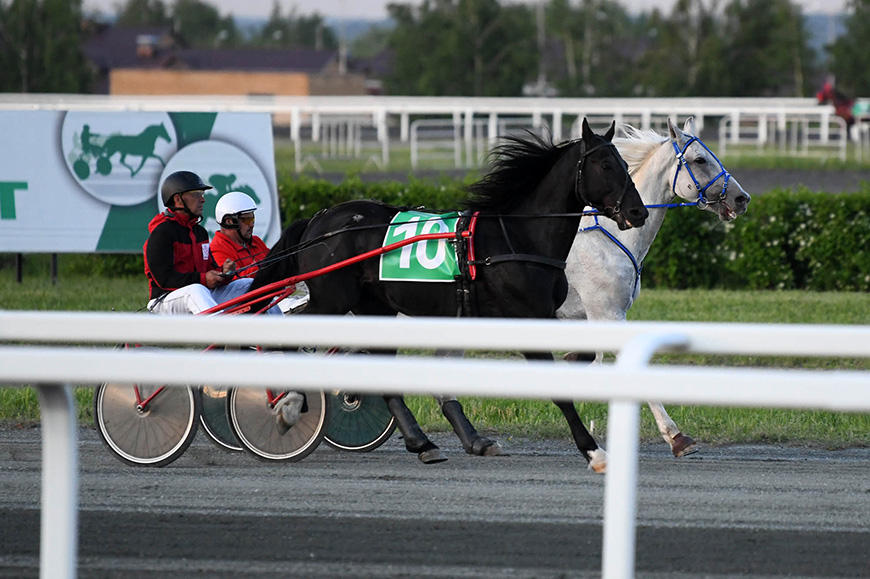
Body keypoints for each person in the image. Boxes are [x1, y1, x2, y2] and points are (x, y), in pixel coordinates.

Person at [144, 170, 254, 315]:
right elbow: (164, 279)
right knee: (197, 289)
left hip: (198, 296)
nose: (203, 200)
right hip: (163, 301)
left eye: (202, 195)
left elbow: (209, 269)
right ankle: (220, 335)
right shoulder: (162, 233)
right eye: (196, 194)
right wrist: (203, 279)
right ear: (178, 199)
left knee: (248, 283)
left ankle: (279, 330)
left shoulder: (200, 232)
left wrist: (223, 273)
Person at [210, 191, 270, 279]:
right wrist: (263, 265)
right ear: (229, 222)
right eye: (247, 220)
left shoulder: (256, 241)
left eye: (252, 218)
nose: (251, 224)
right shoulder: (217, 249)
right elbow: (236, 281)